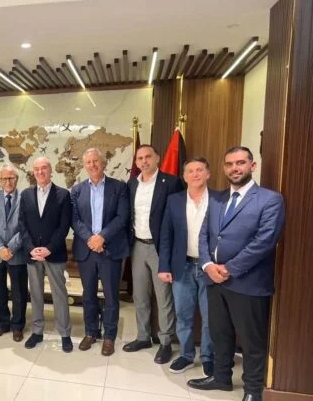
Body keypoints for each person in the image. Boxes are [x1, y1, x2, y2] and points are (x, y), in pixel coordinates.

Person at [187, 147, 285, 401]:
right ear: (224, 168)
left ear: (252, 166)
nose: (235, 168)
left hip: (248, 283)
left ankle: (252, 390)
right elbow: (204, 235)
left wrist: (229, 268)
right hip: (215, 280)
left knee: (252, 341)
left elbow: (265, 241)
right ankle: (221, 378)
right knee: (220, 333)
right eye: (229, 164)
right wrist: (207, 265)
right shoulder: (217, 199)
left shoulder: (270, 200)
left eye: (240, 163)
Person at [122, 144, 182, 364]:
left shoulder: (171, 183)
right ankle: (143, 337)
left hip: (160, 247)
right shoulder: (131, 184)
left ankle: (165, 342)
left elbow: (177, 217)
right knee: (140, 295)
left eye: (148, 156)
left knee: (163, 296)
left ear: (157, 158)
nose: (144, 161)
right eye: (140, 158)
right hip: (137, 246)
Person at [159, 157, 216, 375]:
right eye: (190, 171)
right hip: (181, 266)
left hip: (209, 268)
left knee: (210, 316)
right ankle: (186, 355)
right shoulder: (174, 200)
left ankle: (208, 357)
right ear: (184, 176)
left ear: (207, 173)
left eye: (199, 170)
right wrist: (164, 266)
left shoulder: (219, 199)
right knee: (183, 315)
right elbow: (166, 235)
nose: (195, 174)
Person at [71, 148, 130, 356]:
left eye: (96, 161)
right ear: (84, 166)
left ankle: (109, 336)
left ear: (103, 163)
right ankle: (91, 332)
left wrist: (102, 237)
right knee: (88, 295)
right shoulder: (77, 190)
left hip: (110, 249)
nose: (92, 165)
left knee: (111, 295)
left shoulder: (119, 187)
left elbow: (122, 217)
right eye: (88, 162)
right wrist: (90, 238)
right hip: (86, 250)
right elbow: (75, 220)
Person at [18, 157, 73, 352]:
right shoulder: (25, 195)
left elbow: (64, 226)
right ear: (33, 172)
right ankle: (37, 331)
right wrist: (31, 248)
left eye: (44, 168)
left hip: (54, 253)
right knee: (35, 294)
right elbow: (22, 224)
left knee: (59, 294)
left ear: (51, 170)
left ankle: (65, 333)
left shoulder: (63, 195)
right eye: (37, 169)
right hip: (33, 254)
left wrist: (49, 248)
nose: (40, 172)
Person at [0, 164, 28, 342]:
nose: (8, 182)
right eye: (4, 178)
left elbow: (26, 226)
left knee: (19, 291)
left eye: (11, 178)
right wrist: (0, 248)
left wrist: (11, 247)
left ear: (17, 179)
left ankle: (18, 326)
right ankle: (3, 323)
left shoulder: (25, 198)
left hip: (17, 252)